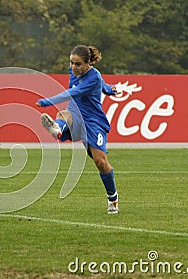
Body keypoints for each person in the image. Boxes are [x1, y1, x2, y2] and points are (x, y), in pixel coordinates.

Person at [36, 44, 120, 214]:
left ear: (88, 63)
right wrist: (109, 89)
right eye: (71, 63)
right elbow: (100, 86)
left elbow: (72, 93)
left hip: (92, 121)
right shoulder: (73, 71)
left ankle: (113, 199)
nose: (73, 67)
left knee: (100, 162)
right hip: (75, 113)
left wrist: (46, 101)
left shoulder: (93, 77)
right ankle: (57, 128)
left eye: (78, 64)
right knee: (64, 113)